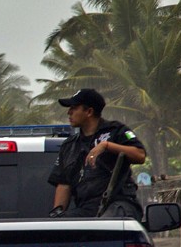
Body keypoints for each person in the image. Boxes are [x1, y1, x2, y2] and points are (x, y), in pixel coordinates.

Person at [48, 89, 146, 219]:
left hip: (119, 204)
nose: (69, 112)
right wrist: (57, 216)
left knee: (107, 225)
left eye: (74, 108)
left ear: (89, 111)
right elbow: (63, 184)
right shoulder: (69, 146)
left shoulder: (116, 131)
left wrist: (107, 146)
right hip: (86, 209)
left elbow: (140, 155)